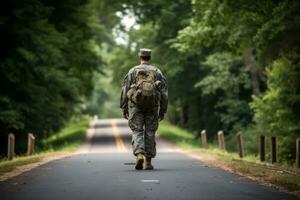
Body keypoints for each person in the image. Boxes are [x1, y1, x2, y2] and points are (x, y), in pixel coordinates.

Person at [120, 48, 168, 170]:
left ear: (140, 57)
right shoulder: (157, 72)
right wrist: (163, 110)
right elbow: (164, 93)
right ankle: (148, 162)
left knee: (137, 131)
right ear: (149, 57)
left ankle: (139, 154)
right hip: (153, 107)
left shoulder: (133, 71)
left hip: (137, 107)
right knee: (150, 133)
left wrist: (124, 107)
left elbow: (125, 90)